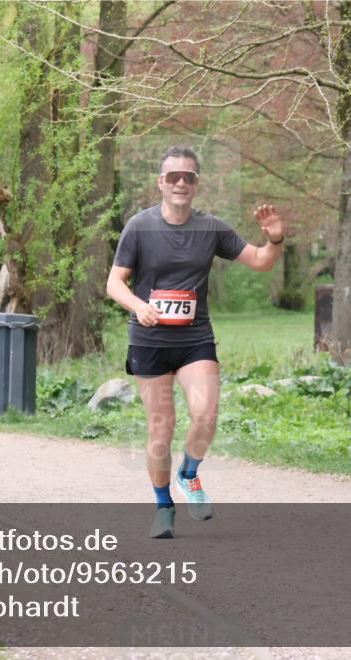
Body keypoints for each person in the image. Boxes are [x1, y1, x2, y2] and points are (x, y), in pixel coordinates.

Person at [106, 146, 286, 538]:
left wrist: (274, 239)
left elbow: (260, 261)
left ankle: (189, 474)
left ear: (197, 184)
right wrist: (139, 306)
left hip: (194, 339)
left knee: (205, 414)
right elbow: (114, 282)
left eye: (188, 177)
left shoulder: (211, 228)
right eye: (173, 176)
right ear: (161, 183)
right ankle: (163, 507)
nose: (181, 183)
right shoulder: (139, 226)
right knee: (161, 427)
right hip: (150, 341)